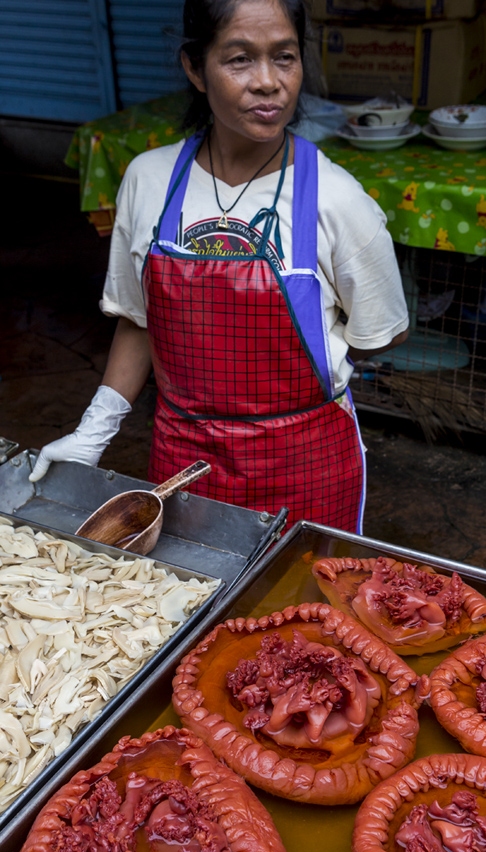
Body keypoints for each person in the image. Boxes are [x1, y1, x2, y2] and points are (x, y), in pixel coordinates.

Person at [30, 0, 409, 533]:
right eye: (239, 60)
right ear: (194, 68)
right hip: (185, 463)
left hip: (306, 465)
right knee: (189, 602)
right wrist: (94, 432)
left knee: (303, 610)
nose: (268, 82)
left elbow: (379, 334)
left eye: (284, 57)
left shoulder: (336, 199)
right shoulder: (148, 182)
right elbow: (139, 321)